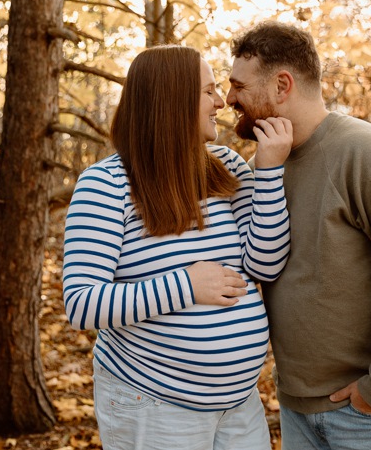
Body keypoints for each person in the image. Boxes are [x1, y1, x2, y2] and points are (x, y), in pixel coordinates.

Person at [226, 21, 371, 450]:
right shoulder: (270, 164)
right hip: (297, 410)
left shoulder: (367, 153)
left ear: (281, 85)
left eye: (239, 85)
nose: (228, 99)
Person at [62, 45, 293, 450]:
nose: (221, 102)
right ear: (170, 101)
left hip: (238, 406)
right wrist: (185, 284)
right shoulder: (105, 185)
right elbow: (82, 304)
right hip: (153, 404)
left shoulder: (228, 168)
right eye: (208, 92)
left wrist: (270, 170)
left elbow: (266, 264)